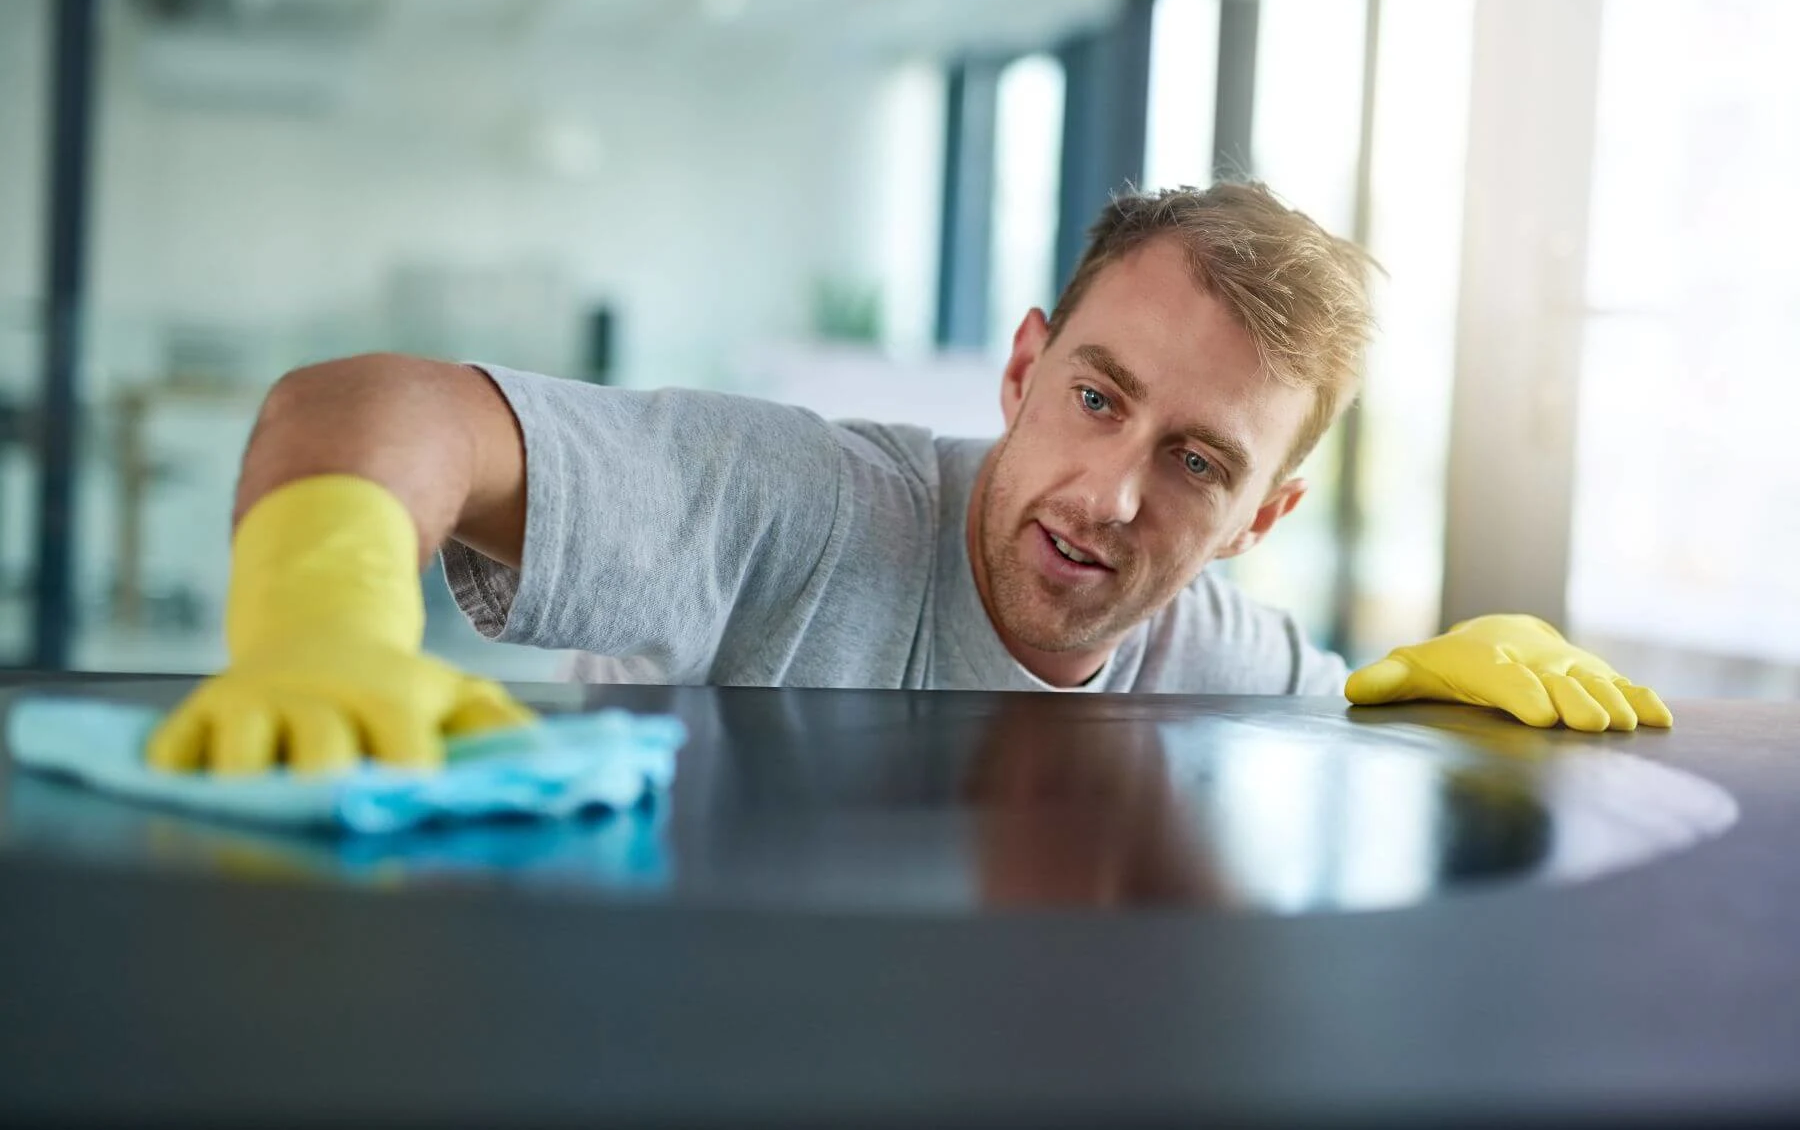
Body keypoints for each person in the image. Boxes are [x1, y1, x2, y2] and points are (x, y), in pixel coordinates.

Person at [146, 183, 1671, 776]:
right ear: (1021, 371)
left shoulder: (1209, 652)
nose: (1110, 497)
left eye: (1196, 465)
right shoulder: (800, 506)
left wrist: (1465, 692)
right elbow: (370, 403)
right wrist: (322, 616)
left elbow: (1346, 722)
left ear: (1265, 517)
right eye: (1093, 398)